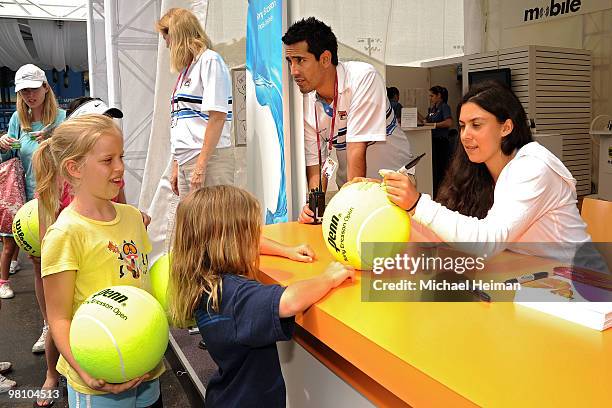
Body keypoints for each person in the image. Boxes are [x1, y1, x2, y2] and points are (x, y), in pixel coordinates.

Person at [168, 185, 354, 407]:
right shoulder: (237, 297)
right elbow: (290, 300)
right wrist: (329, 278)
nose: (257, 237)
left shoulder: (206, 282)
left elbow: (253, 243)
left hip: (225, 396)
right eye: (251, 230)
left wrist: (287, 250)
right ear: (231, 241)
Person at [383, 81, 597, 262]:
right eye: (463, 126)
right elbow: (443, 235)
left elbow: (488, 240)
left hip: (580, 286)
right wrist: (386, 199)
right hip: (532, 279)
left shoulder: (532, 167)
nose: (465, 135)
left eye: (476, 125)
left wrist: (417, 204)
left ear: (506, 127)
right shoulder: (478, 170)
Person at [33, 114, 164, 407]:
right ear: (73, 168)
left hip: (147, 371)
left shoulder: (132, 218)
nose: (120, 167)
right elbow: (58, 317)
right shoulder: (65, 234)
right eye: (108, 160)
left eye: (121, 156)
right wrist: (85, 372)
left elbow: (142, 286)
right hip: (97, 386)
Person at [281, 17, 413, 223]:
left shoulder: (363, 78)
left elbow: (356, 150)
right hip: (352, 189)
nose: (293, 71)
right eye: (290, 62)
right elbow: (316, 165)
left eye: (301, 60)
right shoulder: (305, 101)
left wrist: (353, 210)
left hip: (394, 190)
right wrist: (315, 207)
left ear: (325, 59)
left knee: (392, 254)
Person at [0, 64, 65, 358]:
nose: (29, 95)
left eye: (33, 88)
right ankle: (48, 325)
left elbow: (77, 155)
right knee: (39, 267)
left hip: (62, 204)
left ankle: (67, 325)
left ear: (46, 87)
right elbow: (11, 155)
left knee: (65, 265)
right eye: (23, 90)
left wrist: (55, 141)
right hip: (31, 208)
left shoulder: (64, 118)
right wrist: (2, 144)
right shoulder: (17, 120)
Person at [156, 8, 234, 197]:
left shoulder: (210, 61)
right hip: (186, 159)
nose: (166, 43)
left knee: (214, 222)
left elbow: (217, 116)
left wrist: (201, 164)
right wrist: (176, 164)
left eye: (167, 35)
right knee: (193, 224)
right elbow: (181, 124)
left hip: (208, 159)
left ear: (178, 33)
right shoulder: (187, 70)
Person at [424, 85, 453, 196]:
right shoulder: (432, 108)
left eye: (432, 96)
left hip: (441, 141)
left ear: (439, 96)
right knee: (434, 169)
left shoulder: (444, 107)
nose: (430, 98)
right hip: (432, 141)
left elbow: (449, 122)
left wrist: (434, 125)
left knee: (442, 168)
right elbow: (426, 121)